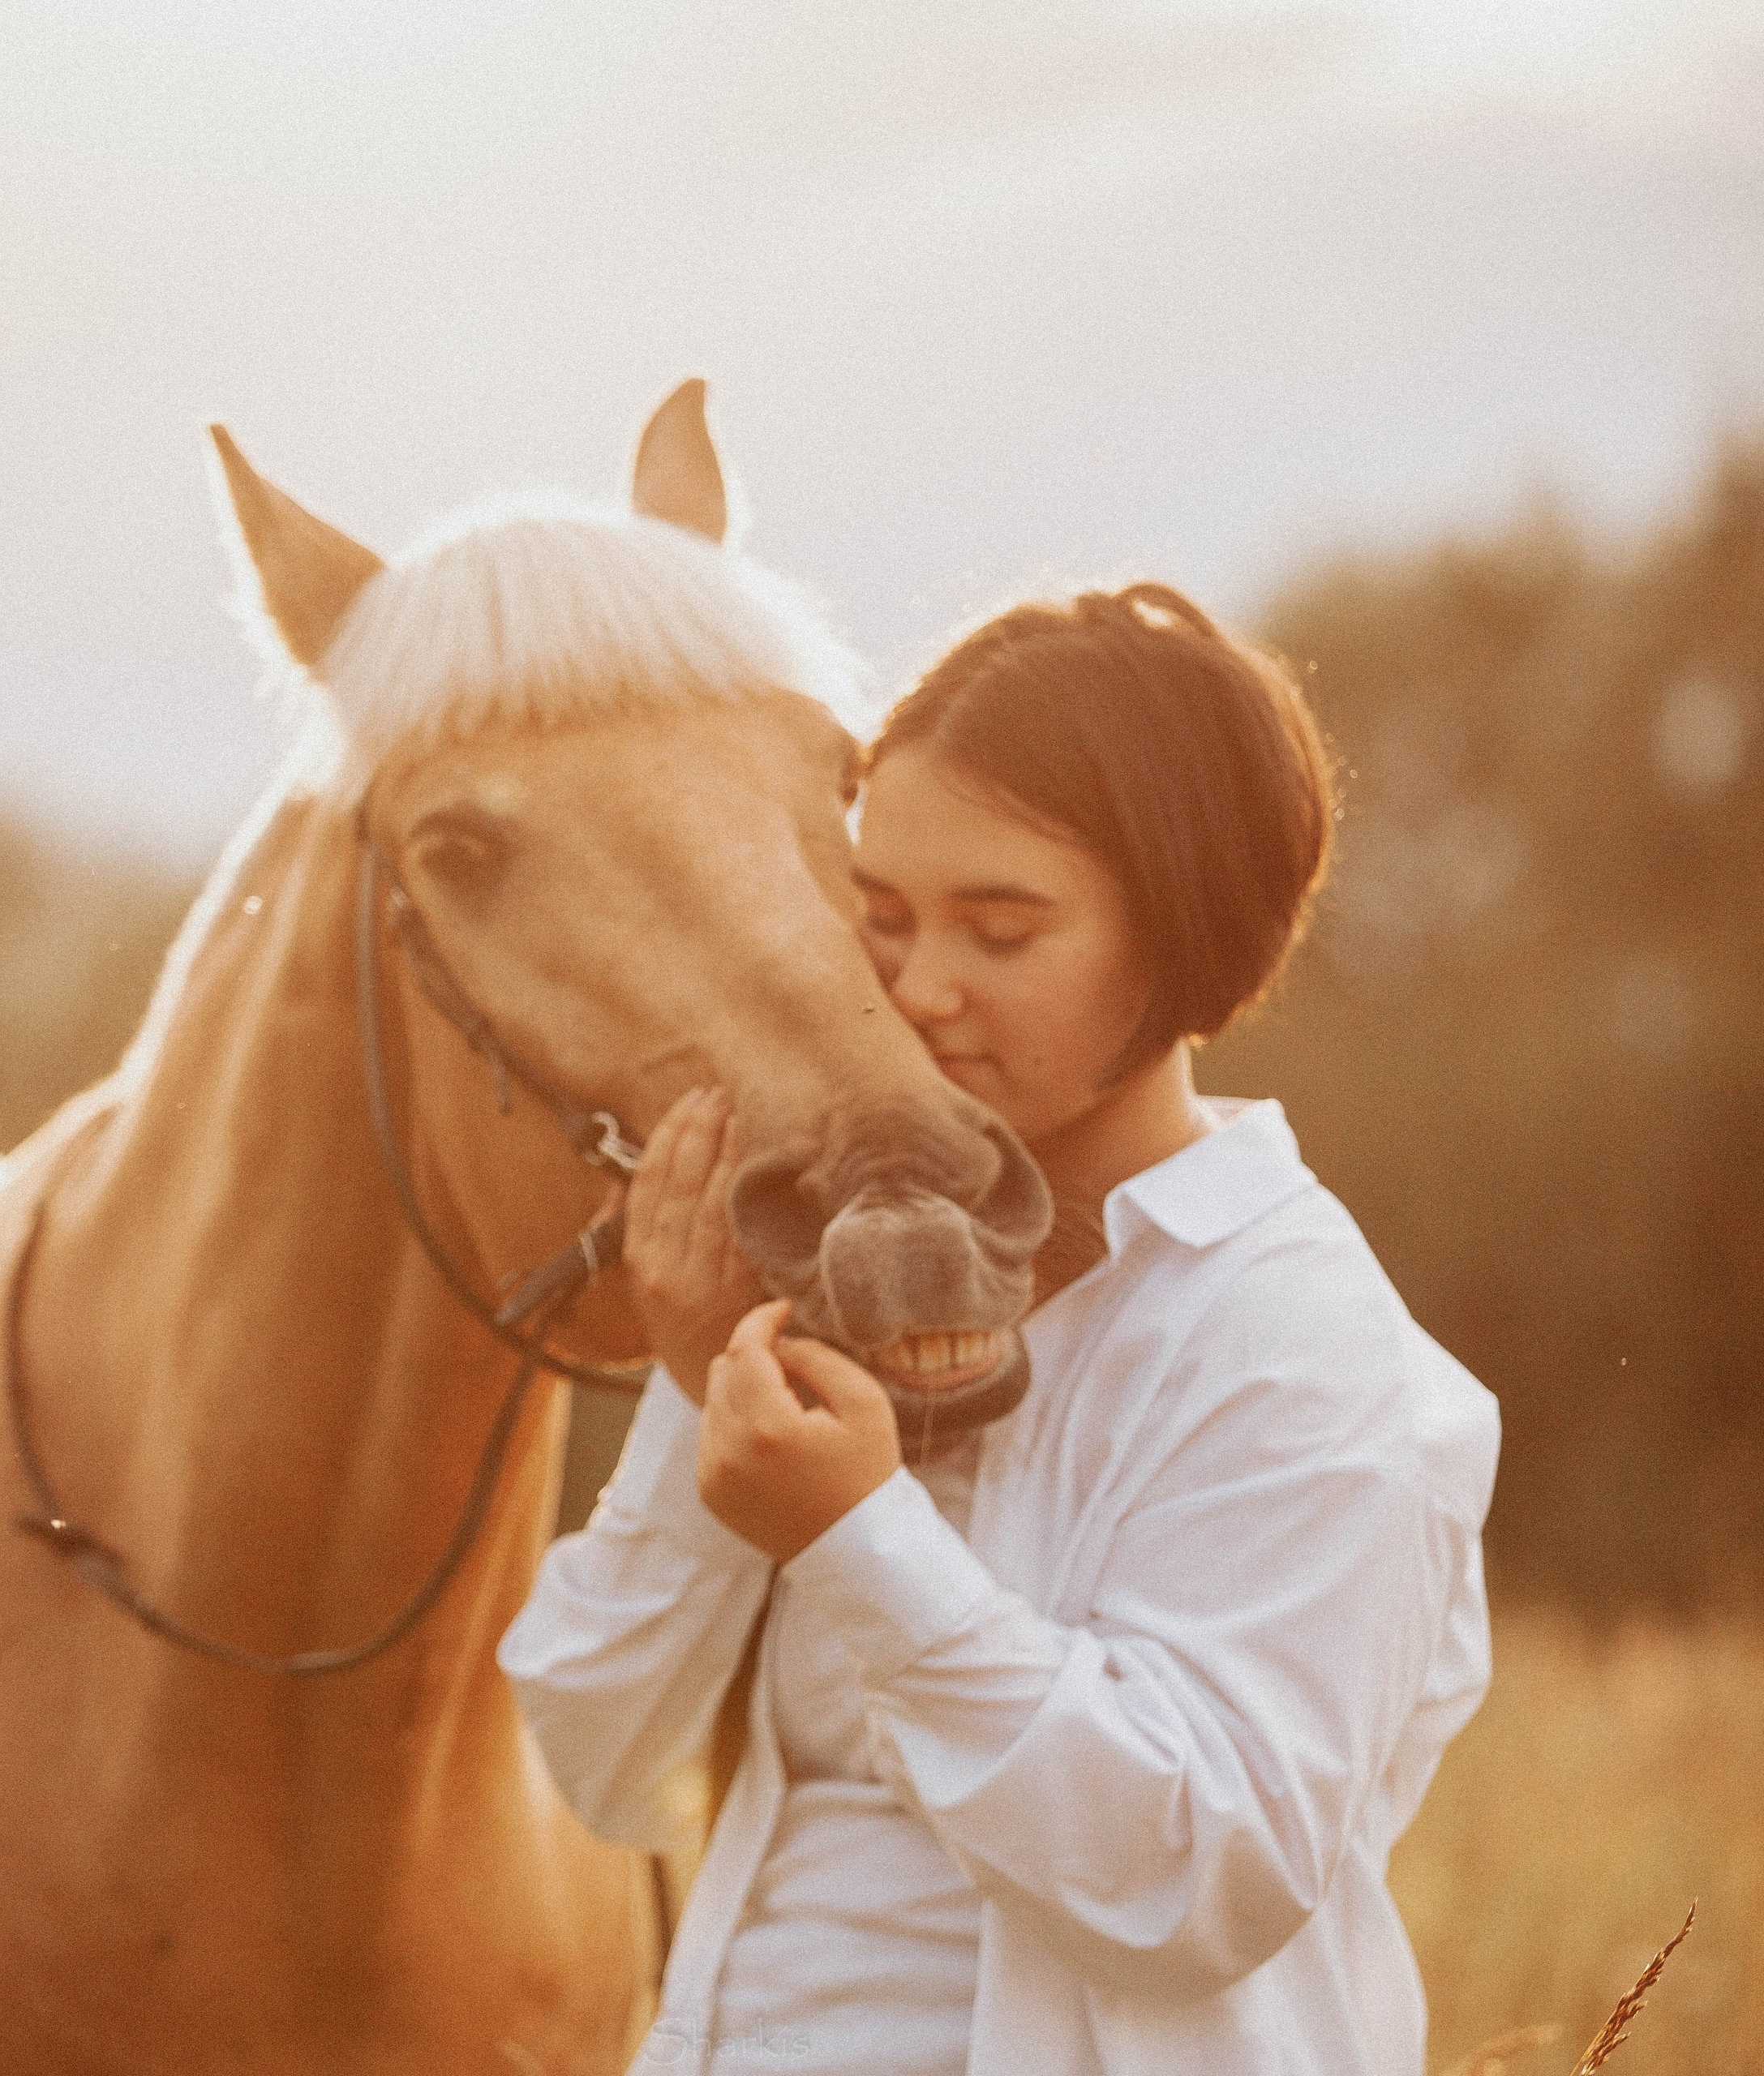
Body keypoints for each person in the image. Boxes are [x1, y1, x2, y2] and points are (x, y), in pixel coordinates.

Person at [498, 583, 1500, 2076]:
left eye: (1003, 928)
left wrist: (855, 1541)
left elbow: (1200, 1876)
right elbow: (594, 1757)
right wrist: (706, 1389)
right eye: (882, 920)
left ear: (1179, 940)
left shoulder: (1296, 1343)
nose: (918, 990)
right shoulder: (835, 1274)